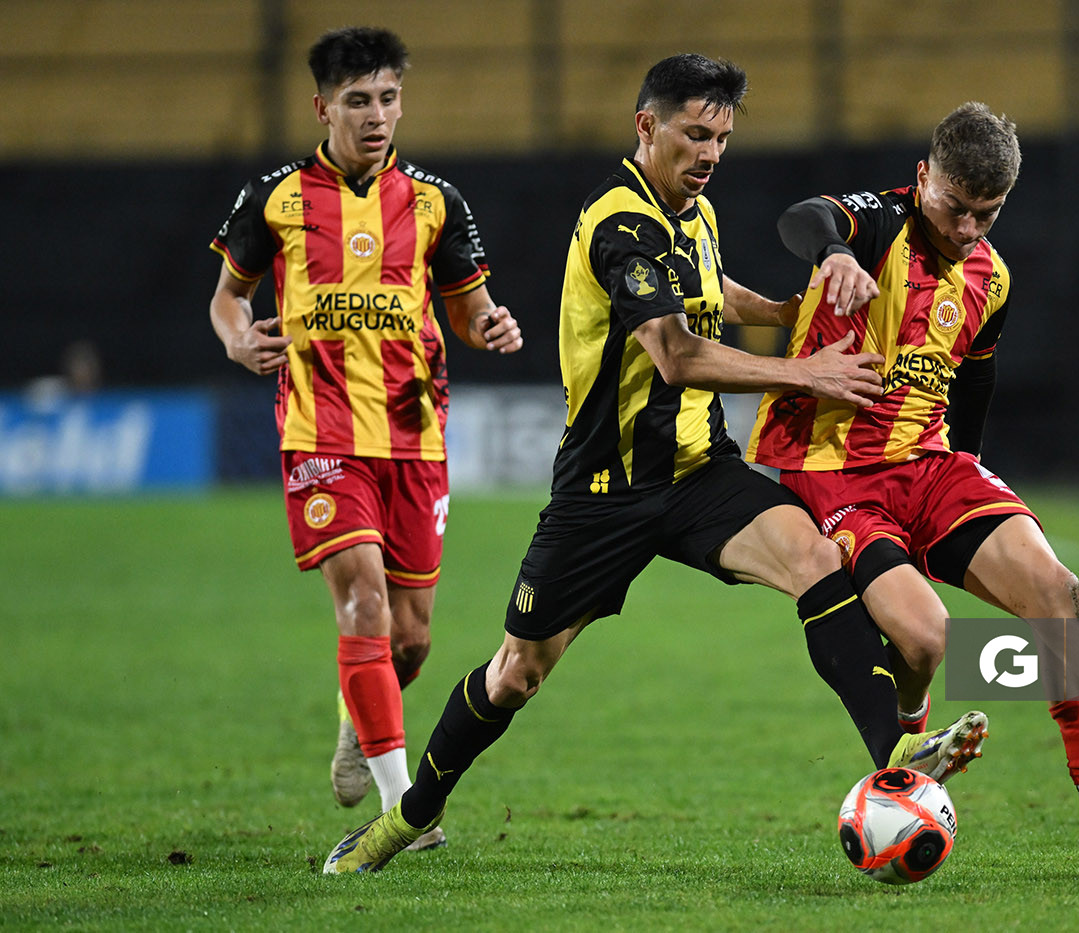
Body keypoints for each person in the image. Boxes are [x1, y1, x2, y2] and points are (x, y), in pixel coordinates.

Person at [323, 53, 988, 874]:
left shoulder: (694, 212)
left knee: (819, 559)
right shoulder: (619, 223)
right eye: (696, 134)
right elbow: (673, 351)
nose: (710, 153)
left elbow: (710, 292)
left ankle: (896, 756)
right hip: (604, 491)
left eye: (723, 138)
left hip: (701, 473)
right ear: (648, 126)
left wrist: (782, 312)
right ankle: (406, 818)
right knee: (516, 674)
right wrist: (804, 371)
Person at [746, 102, 1079, 864]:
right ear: (923, 178)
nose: (967, 230)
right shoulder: (876, 225)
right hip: (837, 472)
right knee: (924, 639)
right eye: (955, 208)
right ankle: (909, 734)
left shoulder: (992, 277)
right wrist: (832, 255)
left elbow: (973, 382)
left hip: (933, 467)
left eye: (986, 215)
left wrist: (965, 504)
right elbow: (804, 216)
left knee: (1059, 590)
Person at [209, 26, 524, 851]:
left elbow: (466, 306)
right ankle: (406, 812)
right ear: (323, 106)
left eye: (388, 98)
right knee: (361, 602)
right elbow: (226, 299)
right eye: (359, 101)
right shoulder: (274, 198)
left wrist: (489, 325)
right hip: (320, 433)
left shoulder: (435, 201)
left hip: (415, 439)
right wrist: (239, 339)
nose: (377, 115)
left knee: (409, 637)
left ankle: (361, 715)